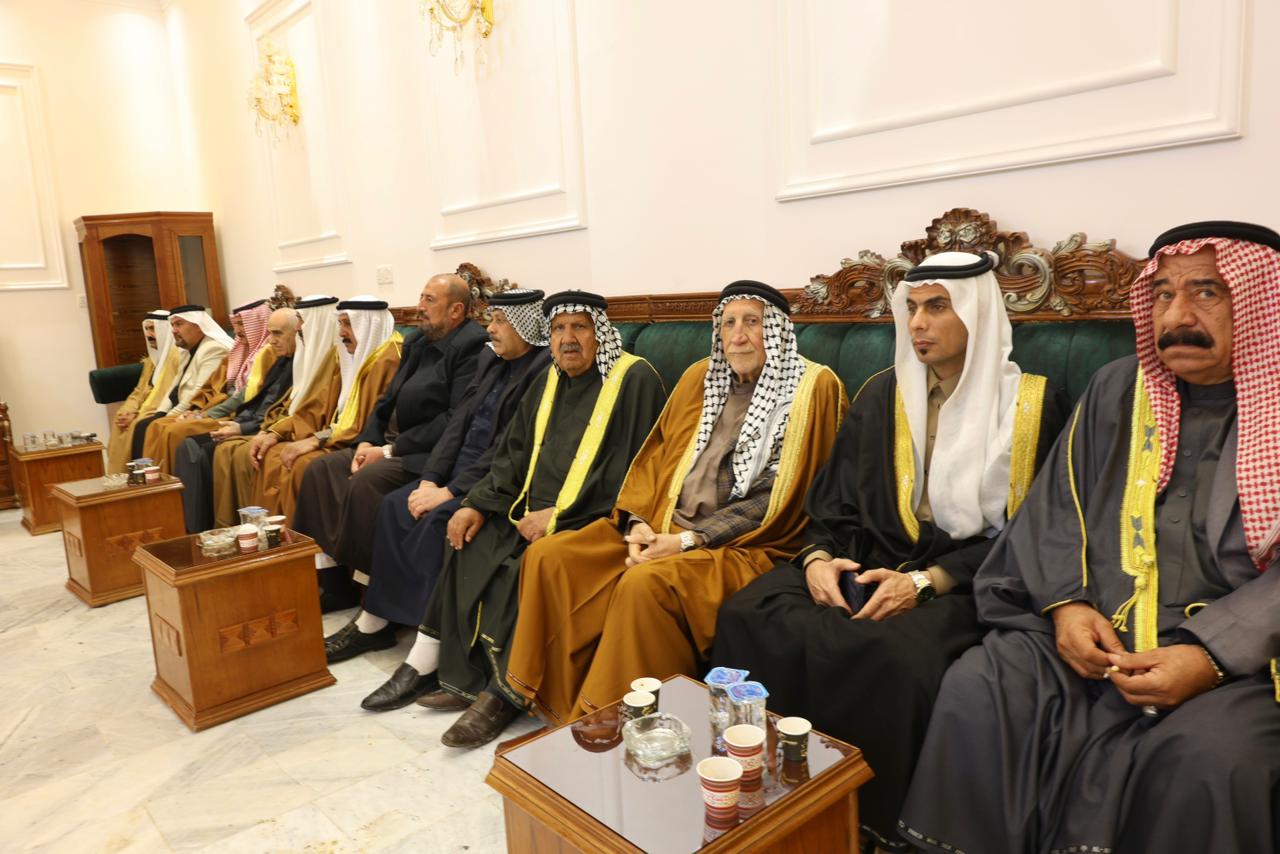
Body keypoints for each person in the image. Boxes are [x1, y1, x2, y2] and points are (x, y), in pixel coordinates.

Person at [899, 222, 1280, 854]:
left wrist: (1211, 656)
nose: (1177, 317)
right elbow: (1056, 511)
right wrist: (1066, 606)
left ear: (1260, 299)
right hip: (1095, 630)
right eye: (1163, 295)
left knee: (1214, 761)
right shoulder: (1119, 388)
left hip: (1245, 662)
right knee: (982, 685)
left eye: (1207, 292)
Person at [712, 255, 1067, 851]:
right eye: (912, 309)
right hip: (866, 555)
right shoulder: (884, 394)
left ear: (977, 313)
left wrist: (928, 581)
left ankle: (867, 823)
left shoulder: (1032, 406)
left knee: (893, 655)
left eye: (937, 307)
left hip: (969, 579)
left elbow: (1035, 531)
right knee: (752, 614)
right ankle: (763, 788)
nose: (918, 324)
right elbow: (833, 502)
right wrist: (819, 559)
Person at [506, 281, 847, 725]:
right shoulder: (699, 377)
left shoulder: (812, 388)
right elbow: (655, 458)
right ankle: (560, 710)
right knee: (550, 557)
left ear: (777, 330)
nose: (738, 335)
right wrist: (638, 525)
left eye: (752, 322)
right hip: (662, 527)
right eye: (728, 323)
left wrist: (686, 541)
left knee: (643, 585)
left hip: (742, 546)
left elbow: (778, 496)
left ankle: (618, 723)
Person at [415, 291, 665, 748]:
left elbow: (638, 470)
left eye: (579, 327)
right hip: (529, 508)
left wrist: (559, 516)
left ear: (600, 333)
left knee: (538, 558)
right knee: (467, 533)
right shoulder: (547, 379)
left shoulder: (633, 380)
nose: (568, 339)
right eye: (558, 329)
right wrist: (477, 503)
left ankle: (505, 693)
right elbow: (511, 453)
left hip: (594, 519)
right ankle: (461, 676)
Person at [323, 289, 552, 693]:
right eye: (491, 320)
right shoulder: (491, 359)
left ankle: (430, 649)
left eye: (499, 321)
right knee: (395, 506)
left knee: (438, 522)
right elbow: (458, 423)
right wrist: (431, 478)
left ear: (525, 325)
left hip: (496, 480)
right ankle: (376, 621)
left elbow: (510, 448)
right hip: (457, 468)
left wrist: (451, 492)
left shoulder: (541, 371)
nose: (491, 329)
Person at [292, 276, 487, 610]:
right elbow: (387, 400)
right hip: (388, 445)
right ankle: (335, 583)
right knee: (320, 470)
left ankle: (372, 591)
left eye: (429, 300)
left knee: (367, 482)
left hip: (428, 453)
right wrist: (367, 441)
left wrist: (388, 451)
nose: (419, 307)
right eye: (421, 297)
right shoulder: (418, 340)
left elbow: (454, 418)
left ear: (456, 310)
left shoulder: (471, 346)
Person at [172, 307, 298, 532]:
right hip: (250, 422)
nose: (271, 340)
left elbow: (284, 411)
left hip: (263, 427)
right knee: (189, 446)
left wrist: (241, 427)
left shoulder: (291, 360)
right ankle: (197, 528)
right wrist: (237, 423)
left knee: (209, 449)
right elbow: (250, 398)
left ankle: (225, 528)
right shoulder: (280, 360)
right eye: (270, 333)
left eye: (278, 333)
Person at [143, 299, 277, 473]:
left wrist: (202, 415)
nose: (237, 331)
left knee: (174, 431)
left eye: (242, 324)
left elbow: (243, 395)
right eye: (235, 324)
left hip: (237, 414)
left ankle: (171, 484)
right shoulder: (241, 350)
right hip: (219, 410)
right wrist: (195, 411)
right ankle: (156, 482)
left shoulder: (267, 353)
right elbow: (212, 387)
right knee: (156, 425)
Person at [129, 305, 233, 459]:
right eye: (172, 325)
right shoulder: (187, 350)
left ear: (198, 325)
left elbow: (197, 393)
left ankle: (157, 472)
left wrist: (168, 416)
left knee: (153, 427)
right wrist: (161, 413)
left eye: (179, 324)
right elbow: (174, 388)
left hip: (197, 410)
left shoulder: (213, 349)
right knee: (143, 425)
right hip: (181, 409)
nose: (174, 330)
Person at [105, 310, 172, 472]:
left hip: (161, 409)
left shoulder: (175, 358)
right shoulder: (151, 361)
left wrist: (138, 414)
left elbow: (165, 393)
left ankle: (136, 476)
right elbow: (138, 391)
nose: (148, 335)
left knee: (136, 424)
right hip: (144, 408)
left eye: (153, 329)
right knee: (120, 419)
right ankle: (118, 477)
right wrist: (127, 410)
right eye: (146, 329)